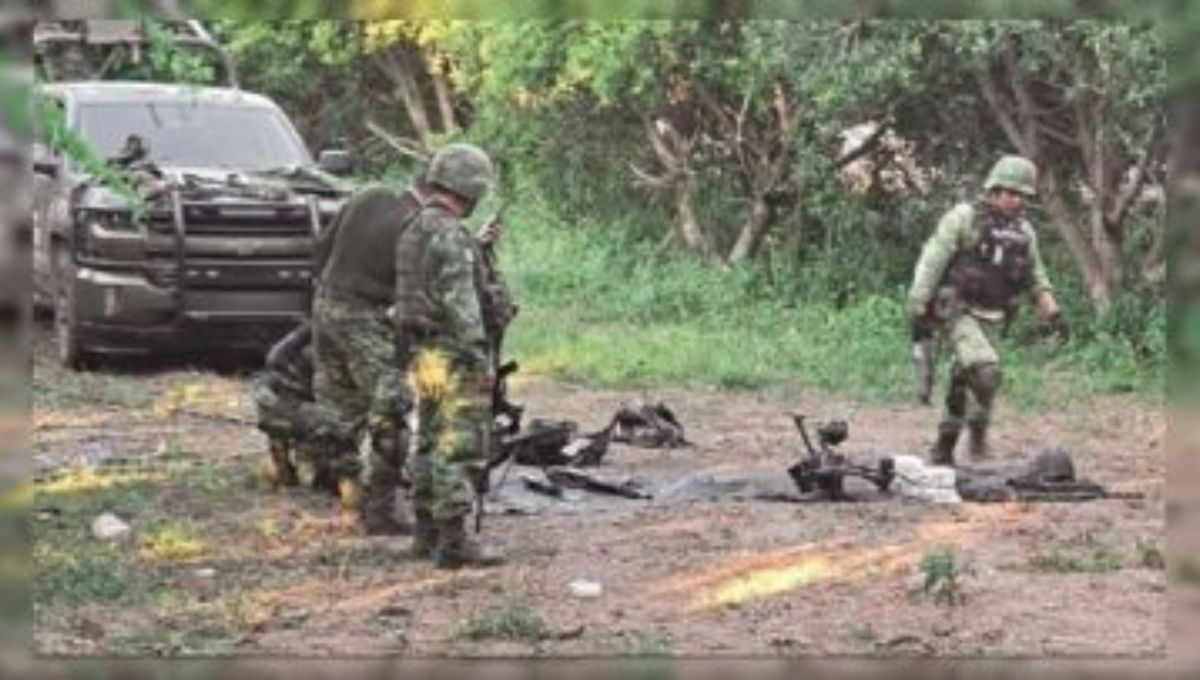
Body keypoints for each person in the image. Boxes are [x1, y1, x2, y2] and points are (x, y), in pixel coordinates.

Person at [907, 154, 1069, 466]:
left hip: (993, 316)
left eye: (1021, 194)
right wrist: (919, 302)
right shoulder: (964, 218)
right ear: (993, 190)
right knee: (986, 371)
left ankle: (944, 446)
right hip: (956, 309)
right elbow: (933, 258)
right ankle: (975, 431)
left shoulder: (1024, 232)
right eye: (1009, 192)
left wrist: (1054, 315)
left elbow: (1036, 278)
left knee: (966, 383)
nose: (1015, 200)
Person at [393, 143, 507, 568]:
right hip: (454, 353)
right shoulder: (450, 235)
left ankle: (424, 535)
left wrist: (478, 248)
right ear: (471, 188)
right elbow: (462, 306)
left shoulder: (414, 228)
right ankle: (455, 542)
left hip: (423, 353)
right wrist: (481, 362)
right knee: (457, 444)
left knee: (426, 440)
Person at [311, 176, 425, 533]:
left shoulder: (368, 195)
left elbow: (320, 248)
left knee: (340, 403)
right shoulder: (417, 226)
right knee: (392, 407)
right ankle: (381, 511)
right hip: (365, 318)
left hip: (326, 305)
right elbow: (418, 290)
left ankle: (341, 485)